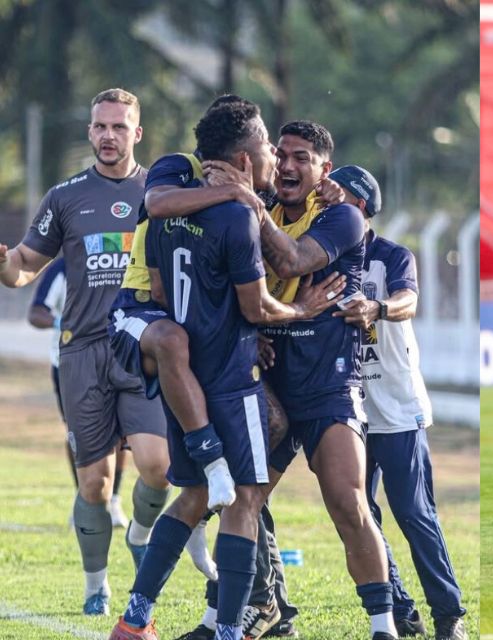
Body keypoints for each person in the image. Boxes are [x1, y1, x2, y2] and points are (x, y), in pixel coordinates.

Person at [108, 100, 339, 640]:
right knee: (247, 496)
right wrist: (301, 311)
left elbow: (163, 288)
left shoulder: (169, 207)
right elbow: (257, 306)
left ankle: (135, 617)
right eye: (266, 150)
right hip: (232, 376)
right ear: (243, 155)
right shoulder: (237, 214)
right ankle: (233, 629)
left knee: (192, 497)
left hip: (184, 375)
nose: (273, 160)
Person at [0, 88, 170, 614]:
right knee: (94, 484)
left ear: (137, 133)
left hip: (139, 347)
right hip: (82, 353)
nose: (108, 136)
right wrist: (6, 267)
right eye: (100, 126)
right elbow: (28, 261)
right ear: (89, 131)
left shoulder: (159, 194)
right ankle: (96, 584)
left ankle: (141, 534)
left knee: (158, 466)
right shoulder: (65, 196)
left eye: (119, 127)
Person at [241, 120, 397, 640]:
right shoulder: (253, 208)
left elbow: (292, 258)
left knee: (349, 504)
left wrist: (246, 201)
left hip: (329, 386)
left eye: (301, 158)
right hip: (273, 383)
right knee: (240, 501)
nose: (287, 165)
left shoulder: (342, 219)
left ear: (324, 170)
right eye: (281, 154)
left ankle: (385, 626)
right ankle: (244, 613)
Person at [330, 165, 467, 640]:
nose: (325, 202)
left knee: (414, 513)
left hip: (397, 405)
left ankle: (449, 615)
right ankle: (401, 607)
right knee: (358, 512)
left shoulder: (391, 255)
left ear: (361, 204)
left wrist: (377, 308)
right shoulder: (321, 255)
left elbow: (409, 300)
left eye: (337, 195)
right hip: (347, 407)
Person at [29, 256, 131, 528]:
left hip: (119, 358)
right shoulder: (63, 268)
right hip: (70, 363)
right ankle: (84, 499)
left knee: (121, 433)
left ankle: (114, 499)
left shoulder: (121, 259)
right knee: (78, 432)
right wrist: (63, 321)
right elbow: (36, 312)